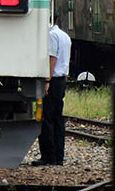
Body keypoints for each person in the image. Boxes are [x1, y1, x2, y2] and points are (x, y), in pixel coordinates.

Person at [32, 18, 71, 166]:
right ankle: (58, 156)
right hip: (61, 80)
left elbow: (52, 59)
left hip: (52, 80)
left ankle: (48, 156)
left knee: (46, 118)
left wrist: (47, 80)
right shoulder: (64, 36)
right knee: (57, 119)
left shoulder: (51, 36)